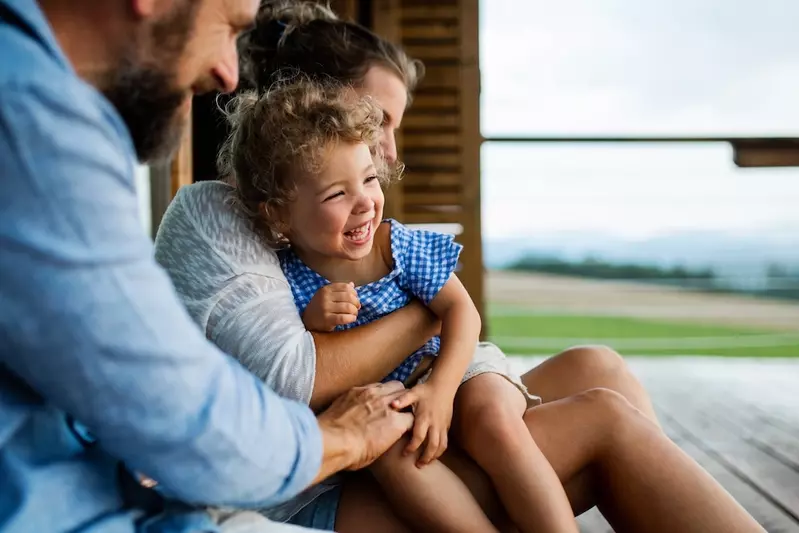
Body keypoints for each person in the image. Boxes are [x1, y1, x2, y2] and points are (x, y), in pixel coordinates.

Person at [155, 2, 767, 533]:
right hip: (326, 486)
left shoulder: (353, 233)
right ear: (304, 109)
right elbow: (296, 376)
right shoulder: (224, 218)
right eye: (378, 122)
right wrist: (429, 314)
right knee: (605, 420)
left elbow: (445, 315)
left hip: (395, 417)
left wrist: (443, 360)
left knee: (598, 366)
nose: (388, 152)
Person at [0, 1, 419, 532]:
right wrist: (345, 439)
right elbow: (180, 413)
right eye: (227, 29)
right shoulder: (29, 117)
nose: (227, 73)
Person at [219, 76, 579, 533]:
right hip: (386, 399)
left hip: (450, 362)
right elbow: (296, 362)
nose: (365, 204)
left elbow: (462, 313)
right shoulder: (282, 277)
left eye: (369, 179)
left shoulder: (396, 246)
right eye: (336, 194)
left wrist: (441, 391)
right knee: (389, 453)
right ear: (278, 213)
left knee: (491, 417)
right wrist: (311, 320)